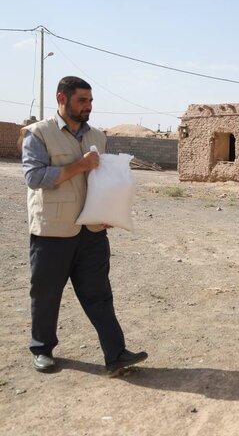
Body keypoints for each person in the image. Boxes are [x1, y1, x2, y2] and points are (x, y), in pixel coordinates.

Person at [21, 76, 148, 375]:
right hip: (53, 230)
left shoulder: (98, 137)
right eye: (82, 100)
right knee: (46, 293)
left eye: (90, 101)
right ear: (61, 99)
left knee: (99, 293)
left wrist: (108, 210)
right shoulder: (38, 134)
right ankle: (42, 348)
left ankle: (116, 353)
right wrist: (79, 165)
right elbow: (34, 178)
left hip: (91, 230)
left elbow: (100, 180)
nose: (88, 107)